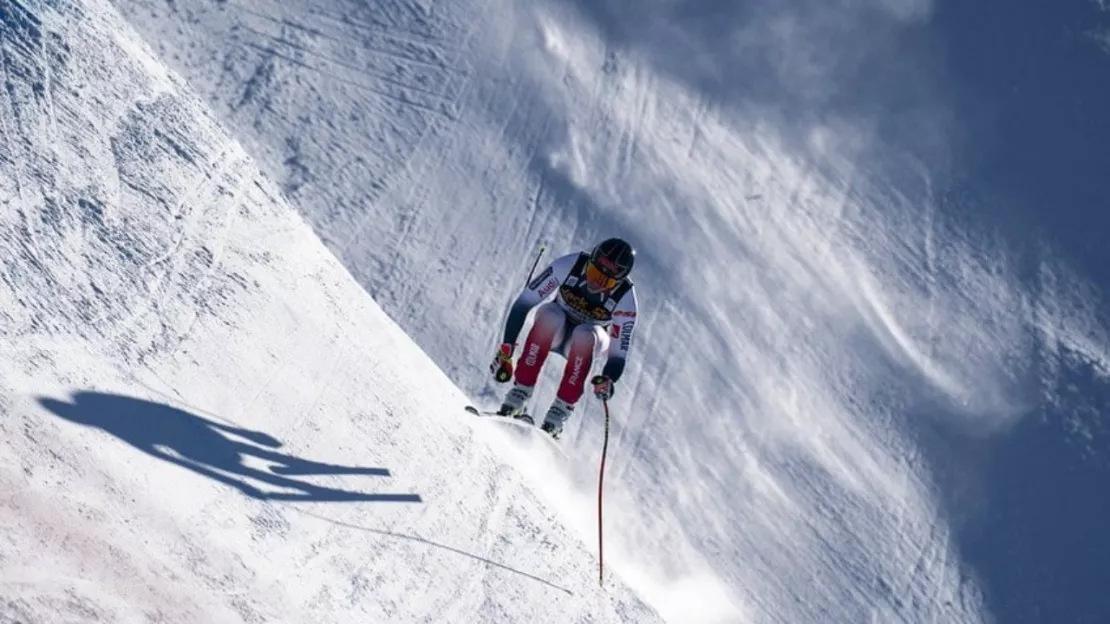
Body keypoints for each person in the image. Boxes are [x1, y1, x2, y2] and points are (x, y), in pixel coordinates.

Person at [490, 237, 639, 439]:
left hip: (586, 341)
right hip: (555, 331)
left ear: (619, 281)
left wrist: (608, 379)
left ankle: (558, 415)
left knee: (585, 335)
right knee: (551, 315)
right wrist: (506, 349)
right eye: (594, 272)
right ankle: (519, 395)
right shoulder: (571, 264)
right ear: (590, 261)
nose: (597, 282)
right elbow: (524, 303)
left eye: (606, 281)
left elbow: (618, 354)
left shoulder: (625, 298)